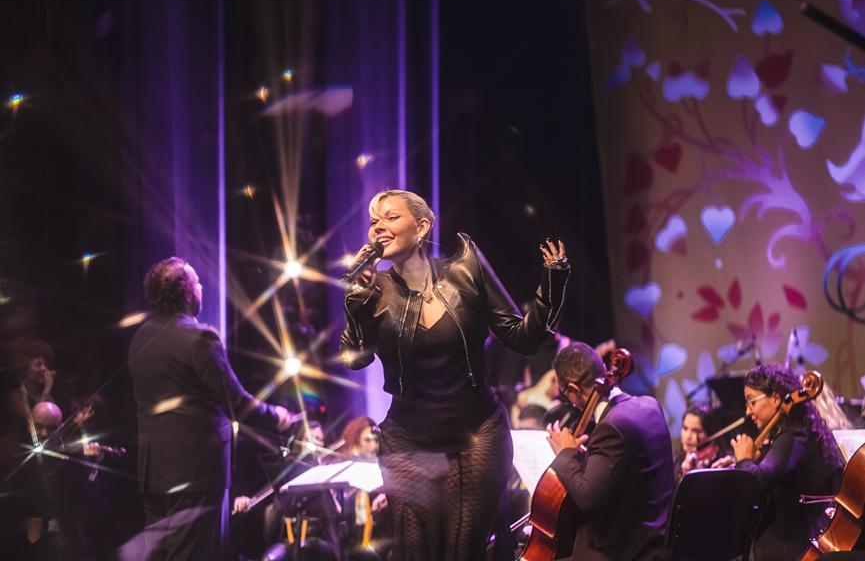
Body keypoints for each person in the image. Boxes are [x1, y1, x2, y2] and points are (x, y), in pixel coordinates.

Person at [340, 189, 569, 561]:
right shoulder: (373, 289)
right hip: (408, 442)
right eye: (373, 222)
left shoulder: (466, 269)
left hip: (476, 435)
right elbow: (355, 359)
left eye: (391, 217)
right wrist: (355, 306)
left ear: (422, 227)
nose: (378, 227)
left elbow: (522, 338)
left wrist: (554, 284)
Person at [128, 257, 292, 561]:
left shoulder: (141, 337)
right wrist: (277, 417)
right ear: (186, 293)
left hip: (153, 470)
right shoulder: (199, 339)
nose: (201, 287)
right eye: (197, 283)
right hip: (195, 472)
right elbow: (237, 403)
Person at [546, 342, 674, 561]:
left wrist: (565, 453)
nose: (570, 402)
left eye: (566, 394)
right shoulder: (651, 405)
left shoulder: (610, 427)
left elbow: (588, 499)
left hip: (626, 553)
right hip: (659, 544)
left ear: (574, 389)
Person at [729, 364, 844, 561]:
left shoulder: (795, 435)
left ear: (776, 398)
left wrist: (745, 460)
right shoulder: (797, 434)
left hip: (793, 551)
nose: (748, 411)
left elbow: (760, 481)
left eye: (752, 402)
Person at [673, 403, 715, 480]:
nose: (688, 436)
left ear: (709, 433)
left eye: (696, 431)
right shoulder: (673, 460)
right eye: (685, 428)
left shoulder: (714, 464)